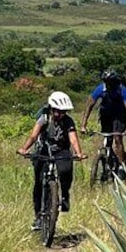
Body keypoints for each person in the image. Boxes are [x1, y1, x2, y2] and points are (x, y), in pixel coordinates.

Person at [17, 90, 86, 231]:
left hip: (61, 150)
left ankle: (65, 195)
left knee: (66, 170)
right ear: (51, 109)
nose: (61, 114)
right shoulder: (44, 119)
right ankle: (38, 217)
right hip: (43, 150)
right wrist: (24, 149)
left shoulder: (68, 121)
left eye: (63, 111)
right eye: (58, 111)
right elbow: (33, 136)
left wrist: (79, 153)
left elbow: (73, 138)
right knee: (38, 183)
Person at [80, 70, 126, 174]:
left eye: (111, 82)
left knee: (117, 138)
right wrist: (83, 125)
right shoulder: (100, 89)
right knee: (107, 138)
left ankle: (121, 166)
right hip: (106, 115)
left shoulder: (121, 89)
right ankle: (107, 162)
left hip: (120, 116)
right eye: (107, 82)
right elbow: (89, 105)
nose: (109, 84)